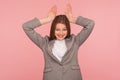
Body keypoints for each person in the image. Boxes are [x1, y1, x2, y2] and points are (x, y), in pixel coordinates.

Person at [22, 4, 95, 80]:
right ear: (53, 30)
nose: (61, 33)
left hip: (73, 77)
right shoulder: (44, 43)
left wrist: (71, 19)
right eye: (57, 29)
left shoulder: (75, 41)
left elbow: (90, 24)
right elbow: (26, 27)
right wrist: (48, 19)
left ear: (68, 30)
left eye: (64, 29)